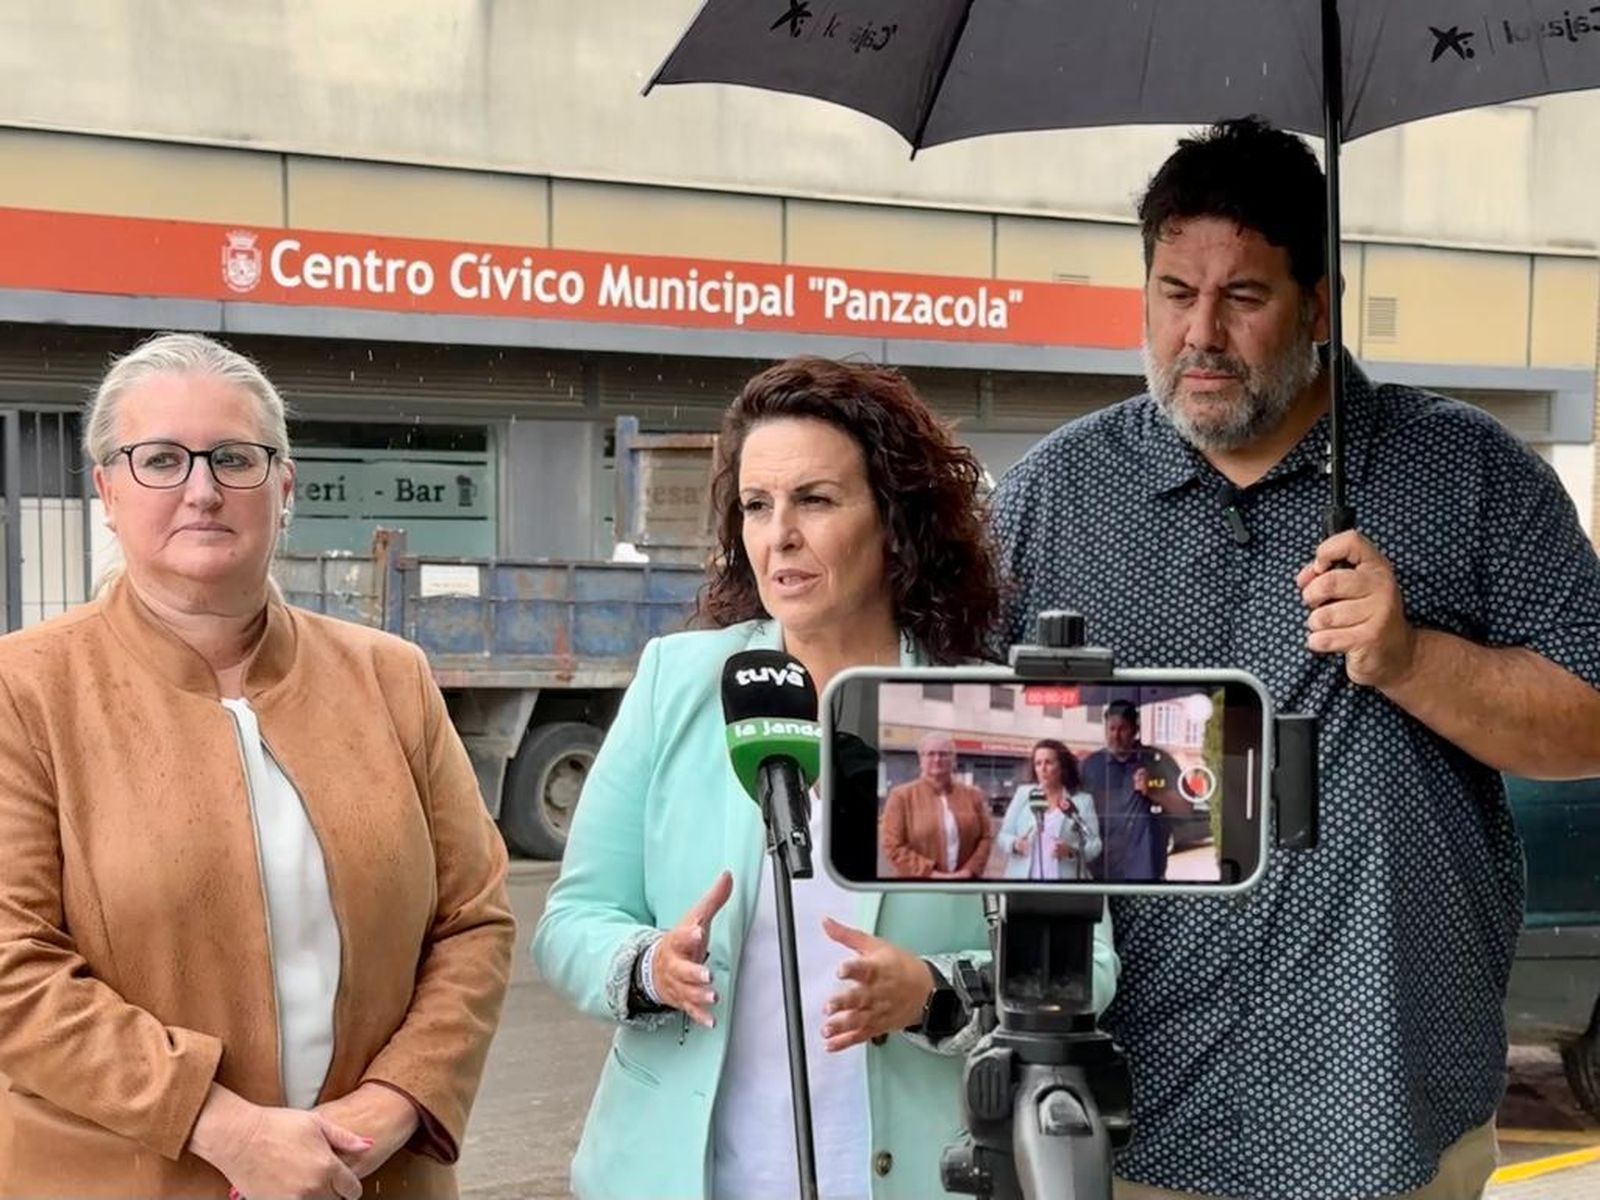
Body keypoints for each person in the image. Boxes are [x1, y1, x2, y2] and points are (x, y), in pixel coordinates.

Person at [991, 117, 1600, 1200]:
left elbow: (1588, 722)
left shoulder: (1467, 476)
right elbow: (968, 758)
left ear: (1318, 304)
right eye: (1175, 293)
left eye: (1244, 297)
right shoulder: (1054, 497)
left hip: (1388, 1109)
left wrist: (1411, 659)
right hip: (1131, 1119)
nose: (1200, 335)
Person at [534, 356, 1118, 1200]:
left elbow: (1085, 966)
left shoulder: (989, 712)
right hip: (680, 1173)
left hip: (914, 1173)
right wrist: (650, 966)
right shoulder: (678, 681)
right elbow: (573, 920)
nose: (780, 537)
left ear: (895, 520)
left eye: (815, 500)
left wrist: (931, 992)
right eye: (757, 506)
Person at [0, 333, 516, 1199]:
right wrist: (224, 1127)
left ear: (283, 487)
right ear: (107, 490)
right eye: (160, 459)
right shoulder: (26, 689)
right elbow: (12, 965)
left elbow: (473, 921)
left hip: (372, 1176)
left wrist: (390, 1106)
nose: (201, 490)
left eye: (233, 458)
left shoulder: (389, 678)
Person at [1080, 701, 1189, 882]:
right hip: (1101, 872)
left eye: (1122, 729)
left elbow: (1185, 809)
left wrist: (1153, 791)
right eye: (1111, 729)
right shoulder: (1090, 765)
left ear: (1135, 730)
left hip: (1145, 871)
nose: (1116, 735)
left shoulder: (1158, 761)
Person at [879, 733, 994, 879]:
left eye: (944, 754)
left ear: (954, 759)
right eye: (930, 754)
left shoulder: (973, 795)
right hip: (918, 887)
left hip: (965, 884)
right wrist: (931, 874)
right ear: (921, 759)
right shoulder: (901, 797)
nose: (937, 759)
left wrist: (968, 871)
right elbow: (892, 845)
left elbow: (986, 837)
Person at [997, 739, 1101, 882]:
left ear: (1062, 766)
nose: (1043, 769)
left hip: (1065, 885)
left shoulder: (1082, 801)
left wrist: (1071, 852)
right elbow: (1003, 836)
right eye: (1038, 764)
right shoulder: (1023, 794)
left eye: (1049, 762)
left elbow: (1095, 844)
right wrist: (1015, 844)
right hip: (1023, 882)